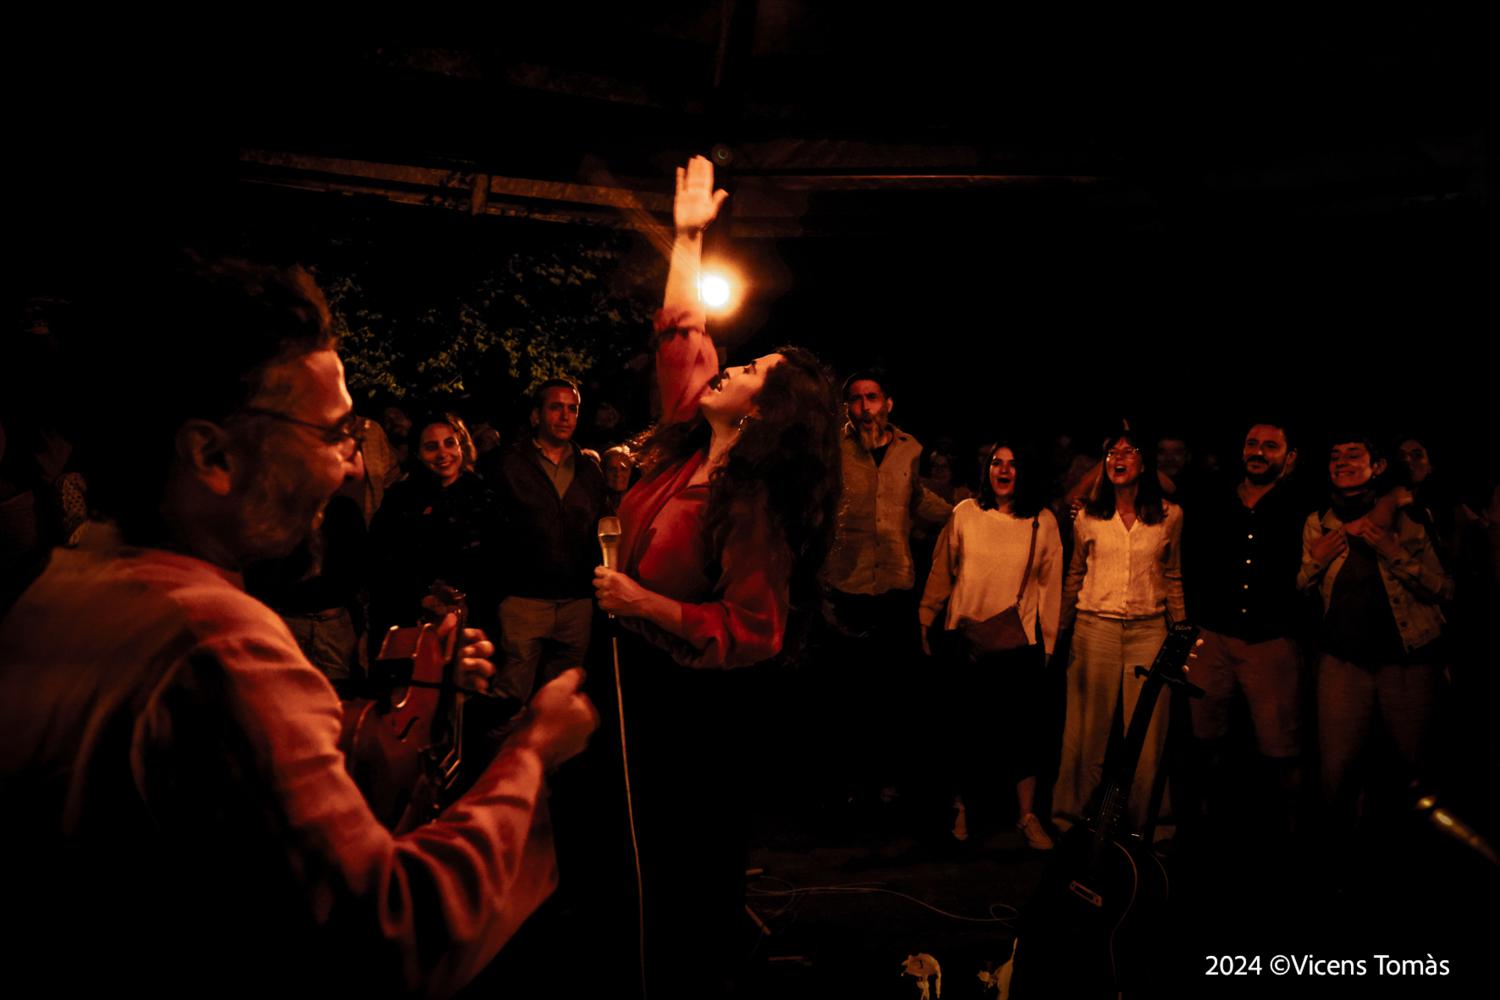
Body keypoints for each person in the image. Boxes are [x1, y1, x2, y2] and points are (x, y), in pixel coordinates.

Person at [0, 255, 598, 997]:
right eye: (331, 433)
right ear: (212, 455)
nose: (347, 468)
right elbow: (391, 931)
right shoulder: (218, 644)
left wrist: (411, 693)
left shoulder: (65, 585)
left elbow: (229, 768)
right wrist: (530, 753)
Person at [592, 155, 841, 998]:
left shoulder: (753, 502)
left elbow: (753, 631)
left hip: (692, 707)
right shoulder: (687, 445)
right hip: (631, 673)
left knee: (684, 860)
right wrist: (689, 237)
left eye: (751, 372)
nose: (729, 369)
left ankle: (688, 985)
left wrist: (644, 602)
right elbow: (680, 333)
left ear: (766, 412)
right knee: (625, 850)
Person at [1297, 434, 1451, 836]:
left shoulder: (1411, 517)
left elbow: (1445, 589)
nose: (1341, 462)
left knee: (1411, 766)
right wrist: (1314, 562)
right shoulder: (1319, 521)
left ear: (1377, 466)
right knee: (1336, 769)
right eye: (1335, 455)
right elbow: (1300, 586)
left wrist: (1392, 551)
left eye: (1353, 455)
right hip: (1343, 662)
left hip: (1407, 662)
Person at [919, 440, 1063, 850]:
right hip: (966, 638)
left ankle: (1026, 816)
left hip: (1017, 642)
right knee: (965, 732)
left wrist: (1049, 643)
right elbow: (942, 570)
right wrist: (926, 615)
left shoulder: (1041, 521)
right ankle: (962, 809)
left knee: (1023, 734)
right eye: (997, 463)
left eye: (1013, 464)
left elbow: (1050, 587)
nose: (1003, 470)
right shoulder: (966, 513)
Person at [1052, 426, 1186, 838]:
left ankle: (1150, 825)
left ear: (1144, 463)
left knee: (1147, 736)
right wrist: (1060, 628)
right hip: (1096, 628)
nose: (1119, 458)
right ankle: (1070, 821)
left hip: (1149, 630)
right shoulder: (1088, 516)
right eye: (1112, 452)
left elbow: (1172, 576)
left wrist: (1181, 633)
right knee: (1085, 733)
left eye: (1129, 451)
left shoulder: (1169, 515)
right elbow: (1075, 574)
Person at [1182, 421, 1308, 839]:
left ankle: (1287, 836)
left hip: (1270, 638)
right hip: (1213, 633)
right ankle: (1204, 830)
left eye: (1270, 446)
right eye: (1252, 444)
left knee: (1281, 746)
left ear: (1289, 457)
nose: (1258, 452)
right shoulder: (1215, 497)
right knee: (1204, 739)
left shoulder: (1300, 506)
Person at [480, 377, 606, 704]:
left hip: (576, 604)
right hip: (524, 602)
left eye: (572, 409)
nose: (565, 416)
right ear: (536, 415)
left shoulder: (589, 470)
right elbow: (488, 531)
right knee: (509, 698)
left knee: (560, 700)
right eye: (556, 407)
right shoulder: (507, 465)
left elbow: (600, 530)